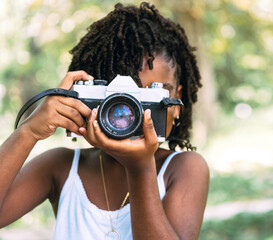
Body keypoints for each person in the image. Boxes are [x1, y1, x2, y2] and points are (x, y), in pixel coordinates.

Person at [0, 2, 209, 240]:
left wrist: (140, 169)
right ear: (93, 98)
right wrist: (29, 131)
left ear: (176, 101)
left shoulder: (184, 168)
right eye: (123, 100)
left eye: (152, 94)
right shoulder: (62, 166)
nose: (133, 114)